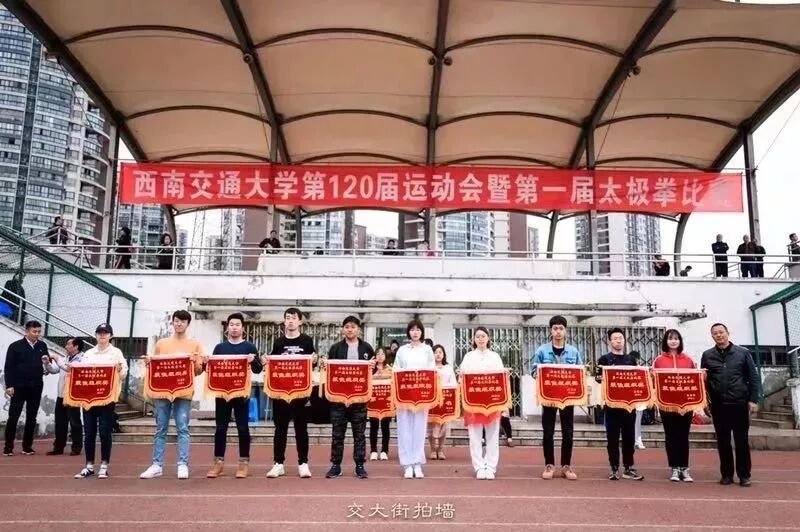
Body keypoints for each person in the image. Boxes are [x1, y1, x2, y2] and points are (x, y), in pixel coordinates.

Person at [140, 310, 205, 480]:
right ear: (172, 322)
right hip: (162, 392)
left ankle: (183, 464)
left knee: (182, 427)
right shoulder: (162, 344)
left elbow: (199, 370)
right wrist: (148, 362)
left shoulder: (195, 344)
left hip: (184, 392)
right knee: (160, 427)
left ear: (188, 324)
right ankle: (157, 465)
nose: (179, 324)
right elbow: (156, 366)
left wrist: (195, 364)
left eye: (182, 321)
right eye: (176, 320)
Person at [701, 323, 759, 487]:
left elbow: (753, 377)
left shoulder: (742, 353)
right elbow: (703, 381)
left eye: (721, 332)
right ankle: (726, 474)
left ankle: (744, 475)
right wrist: (705, 401)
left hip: (739, 403)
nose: (719, 335)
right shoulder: (707, 355)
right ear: (712, 336)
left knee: (741, 441)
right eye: (715, 333)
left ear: (728, 333)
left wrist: (753, 400)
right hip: (718, 405)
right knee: (723, 441)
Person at [206, 313, 262, 479]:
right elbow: (212, 368)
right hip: (222, 393)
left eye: (237, 324)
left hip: (241, 393)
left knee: (243, 428)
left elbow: (258, 369)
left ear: (243, 328)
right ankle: (218, 462)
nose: (234, 327)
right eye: (231, 324)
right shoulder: (220, 348)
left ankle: (243, 462)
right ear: (227, 327)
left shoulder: (249, 347)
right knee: (220, 428)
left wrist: (252, 361)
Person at [264, 307, 316, 479]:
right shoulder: (278, 342)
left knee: (301, 428)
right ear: (284, 321)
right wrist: (266, 360)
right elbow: (272, 363)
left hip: (300, 392)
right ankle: (278, 464)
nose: (291, 321)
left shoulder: (307, 341)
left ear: (300, 321)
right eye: (288, 318)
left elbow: (312, 363)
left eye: (294, 318)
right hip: (281, 392)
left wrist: (315, 360)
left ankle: (303, 463)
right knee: (280, 429)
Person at [531, 315, 582, 480]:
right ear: (551, 331)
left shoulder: (573, 351)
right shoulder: (541, 350)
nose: (558, 331)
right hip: (548, 397)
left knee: (568, 432)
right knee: (548, 432)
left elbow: (580, 372)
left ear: (565, 331)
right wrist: (542, 375)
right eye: (555, 328)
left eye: (561, 328)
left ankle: (566, 466)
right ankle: (549, 464)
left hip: (568, 398)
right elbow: (533, 372)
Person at [325, 316, 375, 479]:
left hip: (359, 399)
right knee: (337, 434)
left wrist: (372, 367)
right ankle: (336, 465)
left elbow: (372, 372)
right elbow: (330, 371)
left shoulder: (366, 348)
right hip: (338, 399)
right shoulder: (335, 348)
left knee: (359, 434)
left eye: (353, 326)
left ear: (358, 329)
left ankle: (360, 465)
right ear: (343, 329)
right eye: (347, 326)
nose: (350, 329)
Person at [74, 324, 127, 479]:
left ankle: (104, 465)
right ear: (96, 335)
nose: (102, 336)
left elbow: (123, 373)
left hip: (106, 399)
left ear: (111, 336)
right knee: (89, 433)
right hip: (88, 399)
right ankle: (89, 465)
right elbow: (81, 373)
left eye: (105, 333)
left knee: (105, 433)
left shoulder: (116, 353)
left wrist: (119, 370)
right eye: (99, 333)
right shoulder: (89, 353)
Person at [596, 328, 644, 481]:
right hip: (611, 406)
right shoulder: (604, 360)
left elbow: (638, 379)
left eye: (621, 338)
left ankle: (628, 467)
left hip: (629, 406)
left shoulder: (631, 360)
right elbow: (598, 379)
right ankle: (614, 468)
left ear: (624, 340)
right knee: (612, 438)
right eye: (615, 338)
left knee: (629, 437)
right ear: (609, 341)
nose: (618, 341)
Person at [460, 327, 505, 480]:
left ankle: (490, 467)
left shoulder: (495, 356)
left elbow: (501, 379)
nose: (480, 339)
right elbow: (462, 376)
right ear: (473, 339)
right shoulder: (468, 357)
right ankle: (479, 467)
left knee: (493, 435)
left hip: (492, 402)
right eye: (477, 336)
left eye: (483, 336)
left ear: (488, 338)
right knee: (475, 436)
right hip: (473, 402)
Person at [653, 329, 696, 483]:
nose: (673, 341)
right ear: (666, 341)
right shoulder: (659, 360)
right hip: (667, 404)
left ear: (680, 341)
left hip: (686, 404)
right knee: (671, 435)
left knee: (683, 435)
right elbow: (654, 380)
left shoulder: (688, 360)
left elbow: (695, 380)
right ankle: (674, 468)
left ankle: (684, 467)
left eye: (676, 338)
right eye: (670, 338)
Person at [394, 319, 435, 479]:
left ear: (422, 332)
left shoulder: (427, 350)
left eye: (418, 329)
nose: (415, 332)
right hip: (404, 394)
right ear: (408, 332)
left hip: (421, 395)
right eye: (412, 329)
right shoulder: (402, 350)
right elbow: (396, 369)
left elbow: (431, 369)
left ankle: (417, 462)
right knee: (404, 427)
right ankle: (407, 464)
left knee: (419, 427)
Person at [3, 320, 51, 456]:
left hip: (36, 386)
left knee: (32, 417)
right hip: (18, 386)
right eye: (34, 331)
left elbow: (47, 364)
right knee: (14, 416)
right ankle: (8, 447)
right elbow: (8, 367)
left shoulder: (42, 345)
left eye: (39, 332)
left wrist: (46, 365)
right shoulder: (15, 346)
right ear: (27, 331)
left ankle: (27, 447)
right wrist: (9, 385)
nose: (37, 334)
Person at [46, 337, 85, 456]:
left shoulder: (82, 359)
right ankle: (58, 447)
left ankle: (76, 447)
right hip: (61, 395)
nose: (66, 346)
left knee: (74, 422)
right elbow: (54, 370)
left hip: (73, 396)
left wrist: (57, 359)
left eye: (68, 344)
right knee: (60, 422)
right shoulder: (65, 358)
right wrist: (47, 363)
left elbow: (70, 369)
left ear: (76, 346)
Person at [428, 344, 456, 460]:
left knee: (444, 426)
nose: (438, 354)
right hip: (432, 401)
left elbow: (453, 383)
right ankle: (432, 449)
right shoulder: (429, 368)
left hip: (446, 400)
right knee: (431, 426)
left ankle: (440, 449)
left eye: (440, 352)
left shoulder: (448, 368)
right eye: (436, 352)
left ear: (444, 354)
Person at [369, 348, 393, 461]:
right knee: (373, 427)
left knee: (385, 427)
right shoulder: (370, 369)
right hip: (373, 402)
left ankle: (384, 450)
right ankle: (373, 450)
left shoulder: (390, 370)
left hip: (386, 402)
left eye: (382, 354)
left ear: (385, 356)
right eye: (377, 354)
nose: (380, 356)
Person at [630, 350, 646, 450]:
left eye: (636, 359)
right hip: (628, 401)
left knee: (637, 422)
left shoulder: (642, 370)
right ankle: (630, 441)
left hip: (639, 400)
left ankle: (638, 441)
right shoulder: (626, 370)